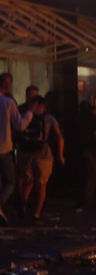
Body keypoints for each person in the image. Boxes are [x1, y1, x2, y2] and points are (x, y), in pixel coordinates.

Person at [16, 95, 64, 223]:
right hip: (43, 154)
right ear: (43, 106)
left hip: (26, 153)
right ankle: (36, 213)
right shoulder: (49, 118)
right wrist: (60, 155)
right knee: (42, 184)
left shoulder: (25, 116)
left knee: (29, 181)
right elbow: (59, 137)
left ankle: (23, 205)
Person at [0, 73, 38, 225]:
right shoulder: (9, 103)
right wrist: (31, 112)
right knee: (10, 182)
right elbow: (20, 125)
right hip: (4, 148)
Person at [75, 97, 96, 212]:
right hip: (91, 151)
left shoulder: (81, 119)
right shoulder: (95, 120)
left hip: (81, 150)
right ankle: (87, 203)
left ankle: (80, 202)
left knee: (83, 177)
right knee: (91, 178)